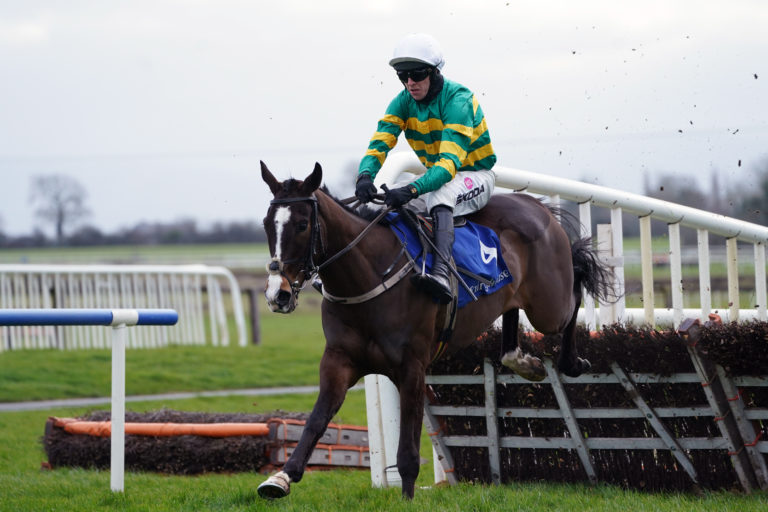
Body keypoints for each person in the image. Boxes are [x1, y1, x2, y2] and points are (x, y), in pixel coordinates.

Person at [355, 33, 497, 304]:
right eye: (402, 76)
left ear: (434, 72)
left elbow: (447, 166)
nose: (410, 83)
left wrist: (411, 189)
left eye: (417, 74)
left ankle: (442, 272)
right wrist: (365, 175)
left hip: (474, 175)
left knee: (439, 196)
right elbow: (380, 141)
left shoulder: (459, 100)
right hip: (438, 177)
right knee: (380, 203)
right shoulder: (402, 101)